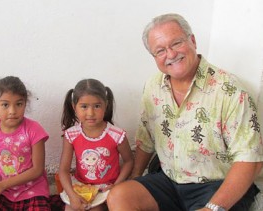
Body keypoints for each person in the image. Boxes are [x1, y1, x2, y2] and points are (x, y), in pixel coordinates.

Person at [107, 13, 263, 211]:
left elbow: (250, 160)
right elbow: (145, 138)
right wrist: (136, 175)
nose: (171, 55)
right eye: (160, 50)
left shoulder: (229, 90)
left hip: (217, 185)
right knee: (120, 197)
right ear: (154, 57)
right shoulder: (153, 86)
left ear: (193, 40)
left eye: (176, 43)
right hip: (169, 181)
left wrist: (212, 208)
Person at [0, 76, 64, 210]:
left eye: (18, 104)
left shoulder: (34, 130)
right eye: (5, 105)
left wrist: (2, 185)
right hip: (3, 192)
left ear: (25, 104)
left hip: (33, 191)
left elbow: (37, 170)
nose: (12, 111)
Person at [58, 78, 134, 211]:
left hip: (107, 187)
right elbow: (63, 170)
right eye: (84, 106)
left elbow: (129, 161)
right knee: (70, 209)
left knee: (96, 209)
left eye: (97, 106)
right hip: (81, 186)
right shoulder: (71, 135)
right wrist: (72, 196)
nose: (91, 113)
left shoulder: (116, 135)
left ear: (106, 105)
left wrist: (116, 185)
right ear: (74, 106)